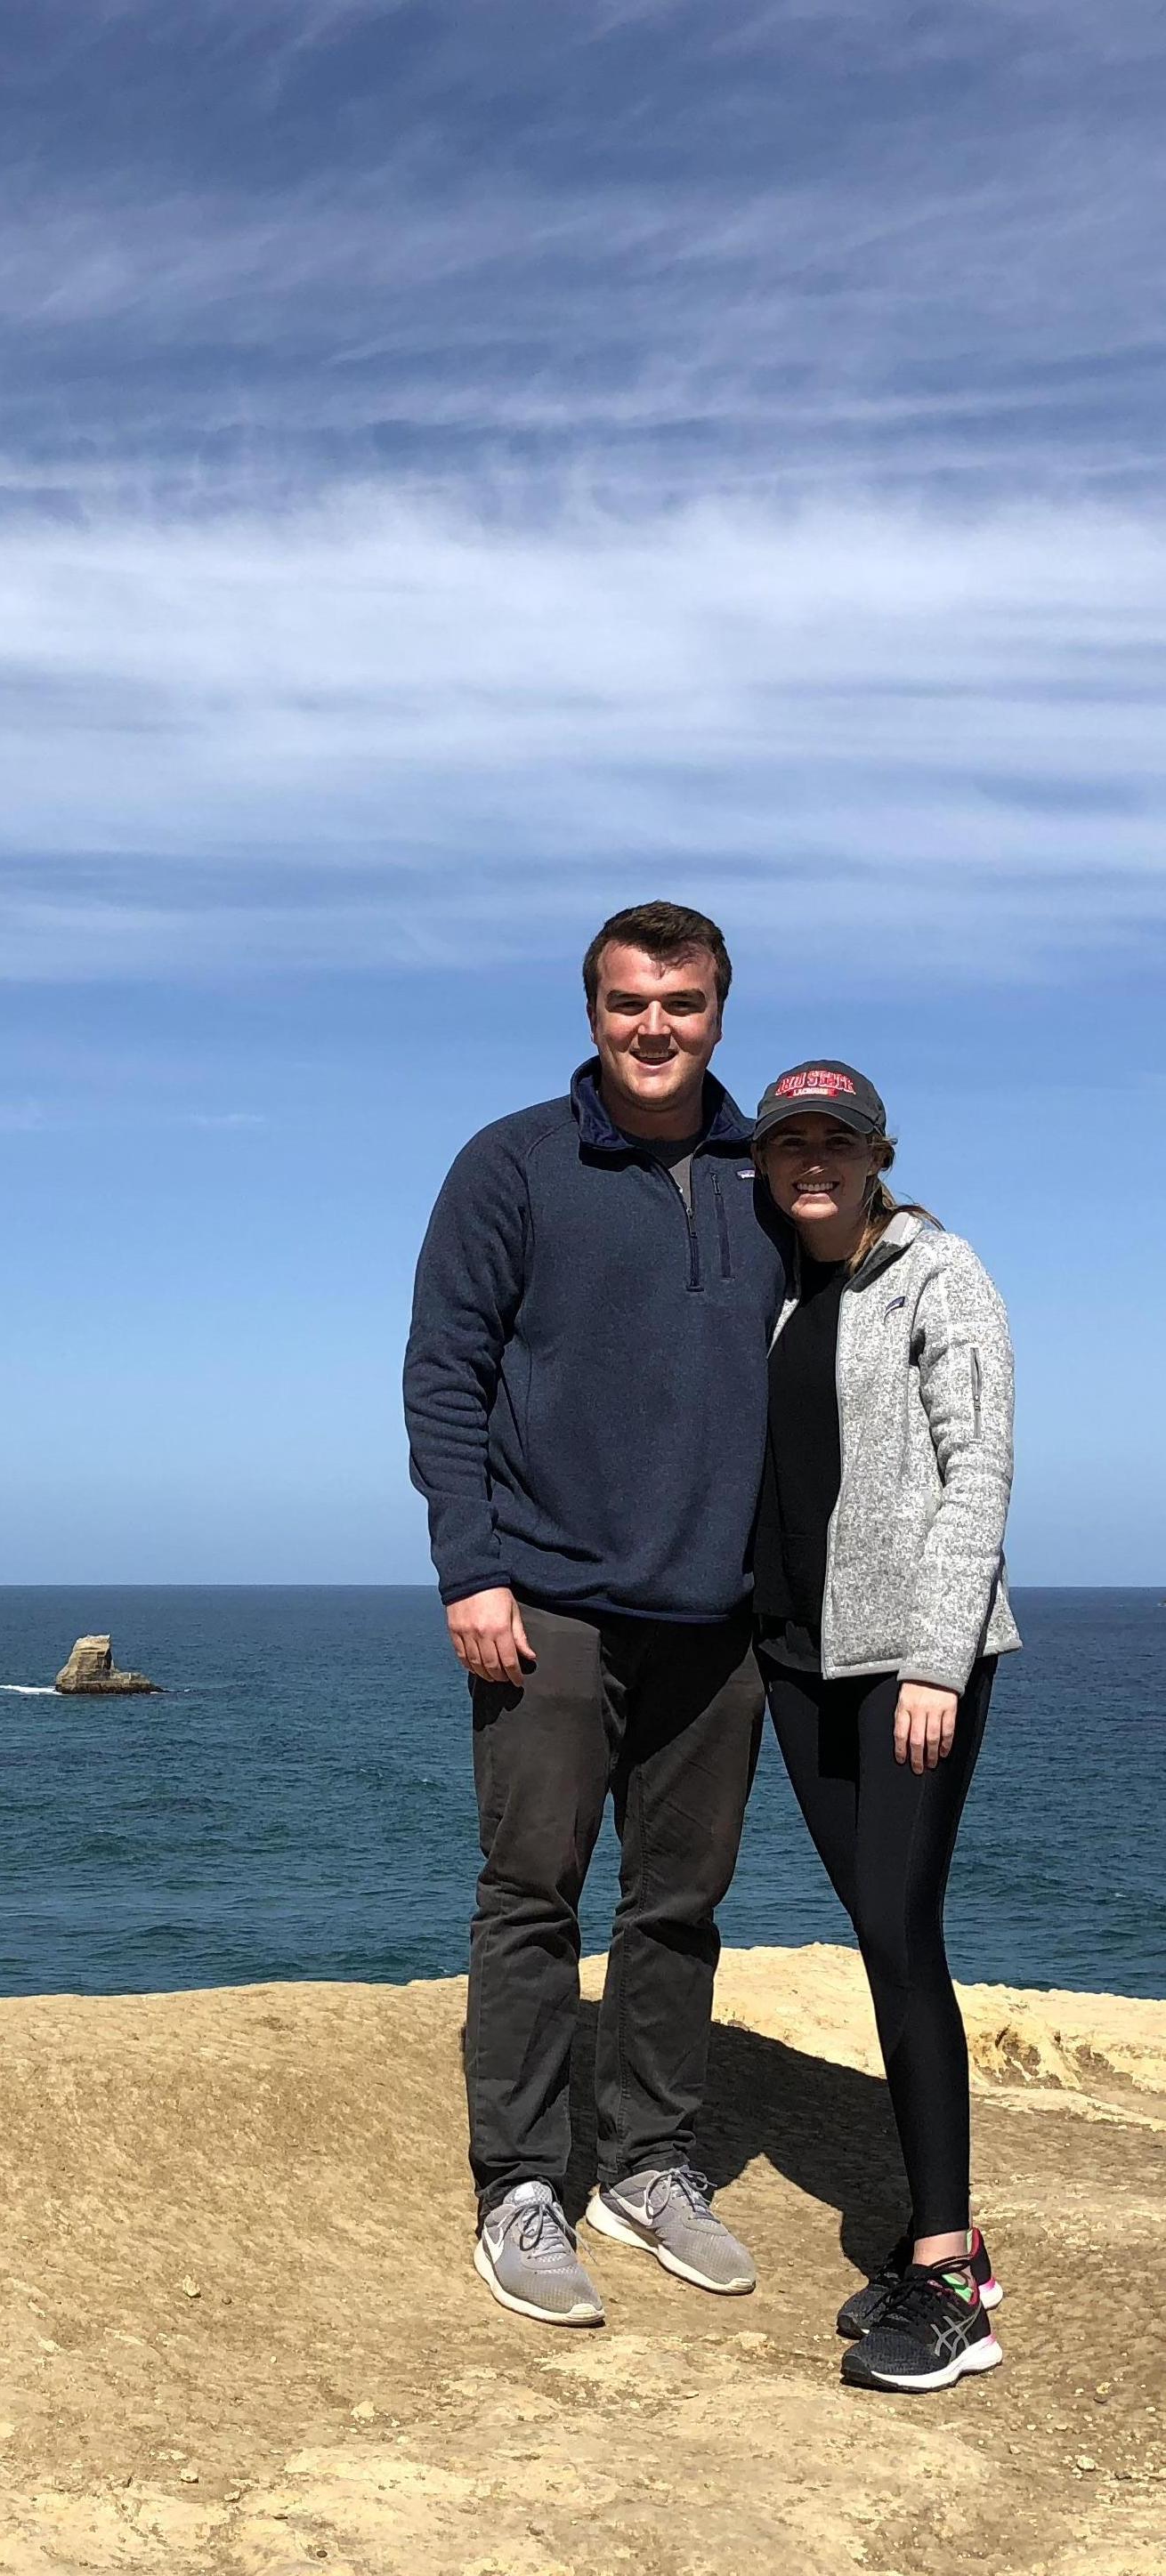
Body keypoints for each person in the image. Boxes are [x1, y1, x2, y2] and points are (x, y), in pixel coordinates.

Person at [404, 900, 787, 2327]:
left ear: (718, 1014)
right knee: (531, 1898)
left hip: (719, 1615)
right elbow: (444, 1373)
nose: (654, 1027)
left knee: (679, 1906)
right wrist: (471, 1567)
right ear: (591, 1012)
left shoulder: (772, 1177)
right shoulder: (511, 1165)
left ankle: (647, 2164)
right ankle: (519, 2183)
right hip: (547, 1601)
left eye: (681, 1003)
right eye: (629, 1001)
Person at [749, 1061, 1018, 2394]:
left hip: (908, 1667)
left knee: (904, 1934)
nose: (813, 1164)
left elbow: (981, 1471)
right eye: (790, 1144)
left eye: (834, 1146)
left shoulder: (937, 1272)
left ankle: (951, 2277)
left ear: (875, 1154)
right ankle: (941, 2228)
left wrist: (938, 1660)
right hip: (799, 1665)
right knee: (877, 1933)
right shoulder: (784, 1292)